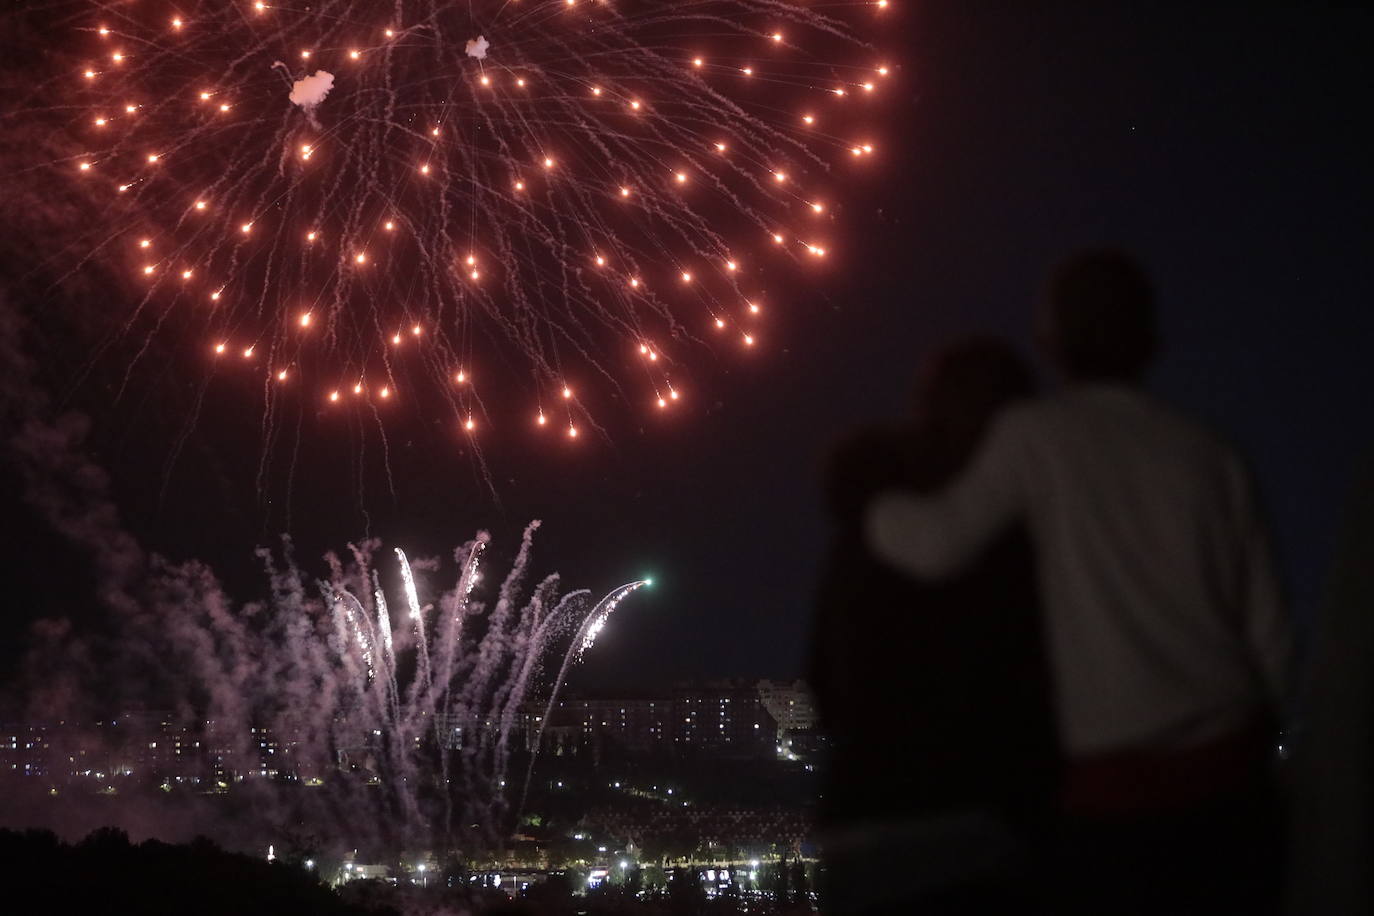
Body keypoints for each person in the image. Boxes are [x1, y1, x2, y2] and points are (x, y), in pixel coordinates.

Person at [865, 250, 1292, 914]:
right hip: (1234, 779)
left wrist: (870, 500)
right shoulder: (1212, 455)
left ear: (1054, 341)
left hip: (1115, 794)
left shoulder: (1039, 437)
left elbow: (936, 545)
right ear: (1150, 338)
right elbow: (1272, 636)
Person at [811, 336, 1057, 915]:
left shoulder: (866, 523)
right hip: (986, 823)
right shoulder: (1022, 540)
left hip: (864, 819)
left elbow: (823, 679)